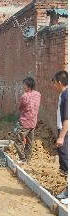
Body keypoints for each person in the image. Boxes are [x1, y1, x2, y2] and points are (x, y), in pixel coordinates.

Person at [14, 77, 41, 165]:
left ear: (28, 86)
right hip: (33, 122)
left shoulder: (25, 96)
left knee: (18, 140)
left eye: (24, 85)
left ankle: (22, 159)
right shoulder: (38, 94)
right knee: (29, 142)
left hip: (25, 122)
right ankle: (27, 160)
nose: (23, 87)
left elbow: (20, 107)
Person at [52, 71, 68, 205]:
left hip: (65, 133)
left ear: (59, 83)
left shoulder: (66, 96)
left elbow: (67, 119)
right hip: (63, 132)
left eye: (54, 82)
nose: (53, 85)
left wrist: (62, 137)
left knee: (66, 163)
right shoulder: (63, 95)